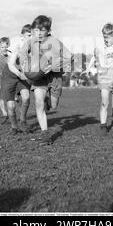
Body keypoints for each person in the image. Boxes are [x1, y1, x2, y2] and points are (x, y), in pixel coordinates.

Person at [19, 15, 73, 145]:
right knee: (38, 102)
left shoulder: (55, 42)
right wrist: (26, 68)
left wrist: (56, 65)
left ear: (48, 31)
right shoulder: (29, 43)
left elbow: (69, 58)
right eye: (36, 30)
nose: (38, 33)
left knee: (54, 106)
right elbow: (22, 57)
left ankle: (48, 102)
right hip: (39, 79)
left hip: (54, 77)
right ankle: (45, 135)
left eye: (42, 30)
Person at [82, 23, 113, 132]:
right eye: (104, 37)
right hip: (104, 77)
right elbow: (94, 57)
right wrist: (88, 68)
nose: (105, 39)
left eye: (108, 37)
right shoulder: (100, 48)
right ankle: (103, 125)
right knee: (104, 102)